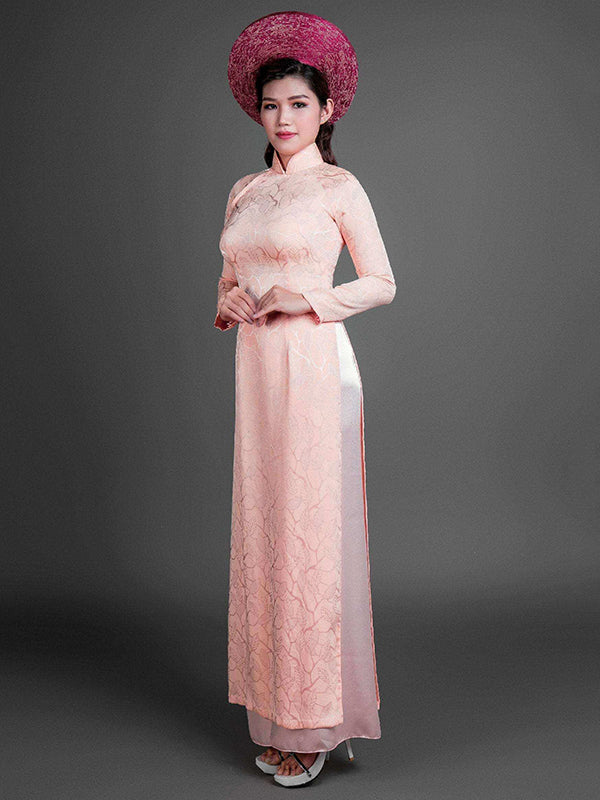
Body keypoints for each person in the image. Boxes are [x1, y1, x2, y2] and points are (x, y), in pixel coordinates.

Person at [214, 12, 396, 787]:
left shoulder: (338, 186)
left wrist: (308, 298)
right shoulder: (246, 190)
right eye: (271, 106)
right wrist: (228, 303)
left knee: (310, 538)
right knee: (266, 533)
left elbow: (382, 282)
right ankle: (276, 713)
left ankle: (318, 721)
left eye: (298, 104)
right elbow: (229, 279)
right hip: (257, 370)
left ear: (326, 110)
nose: (283, 118)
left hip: (315, 369)